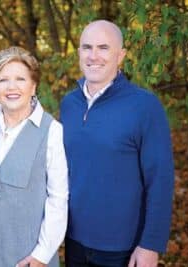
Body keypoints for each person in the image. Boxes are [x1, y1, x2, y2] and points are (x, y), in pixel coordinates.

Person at [60, 20, 175, 267]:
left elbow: (161, 181)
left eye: (104, 48)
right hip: (73, 240)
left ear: (120, 55)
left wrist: (150, 245)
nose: (94, 56)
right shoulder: (69, 104)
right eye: (87, 47)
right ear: (78, 52)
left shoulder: (145, 107)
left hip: (122, 247)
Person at [0, 46, 68, 267]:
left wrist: (41, 255)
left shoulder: (51, 130)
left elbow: (58, 199)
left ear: (33, 86)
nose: (12, 87)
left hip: (26, 254)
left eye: (20, 79)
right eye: (4, 80)